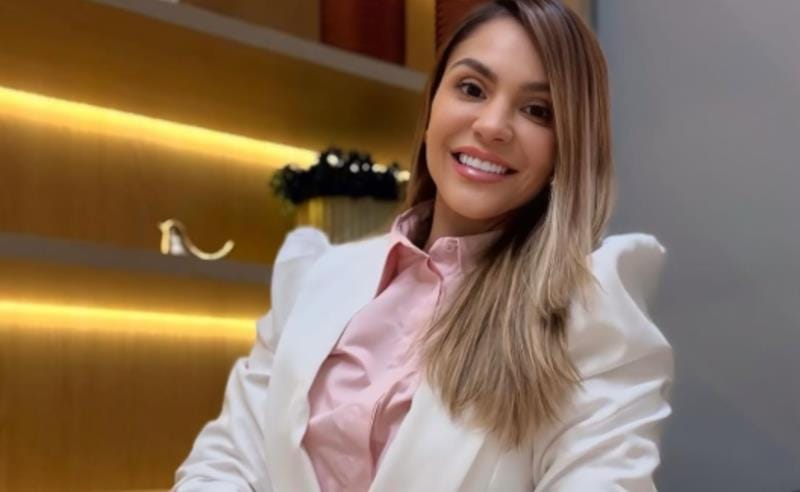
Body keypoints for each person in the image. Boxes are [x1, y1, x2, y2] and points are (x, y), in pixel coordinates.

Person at [173, 0, 674, 490]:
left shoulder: (590, 311)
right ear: (433, 104)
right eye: (472, 88)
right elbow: (226, 462)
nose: (492, 126)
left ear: (569, 146)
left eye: (536, 110)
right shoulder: (315, 276)